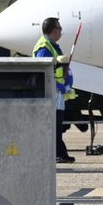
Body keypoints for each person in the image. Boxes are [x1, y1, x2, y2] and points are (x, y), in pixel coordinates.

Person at [33, 17, 76, 164]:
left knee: (57, 126)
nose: (61, 31)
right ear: (53, 31)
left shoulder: (52, 46)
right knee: (53, 126)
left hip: (58, 94)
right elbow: (44, 72)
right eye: (59, 28)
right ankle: (57, 154)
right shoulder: (44, 48)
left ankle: (61, 153)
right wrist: (59, 85)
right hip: (51, 93)